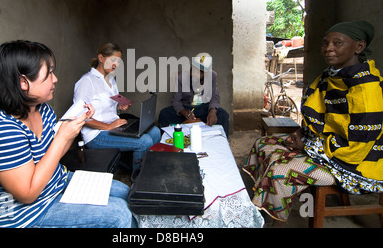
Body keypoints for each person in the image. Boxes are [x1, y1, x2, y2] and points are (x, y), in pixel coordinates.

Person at [0, 40, 135, 228]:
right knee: (120, 213)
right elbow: (27, 194)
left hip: (56, 183)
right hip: (30, 213)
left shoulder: (43, 110)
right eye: (48, 74)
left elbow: (53, 156)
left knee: (126, 192)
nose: (55, 79)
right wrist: (62, 137)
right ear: (23, 82)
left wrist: (75, 126)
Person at [243, 21, 383, 224]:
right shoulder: (329, 77)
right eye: (325, 43)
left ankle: (272, 220)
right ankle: (264, 201)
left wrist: (307, 145)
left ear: (358, 47)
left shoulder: (365, 88)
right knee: (263, 144)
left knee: (279, 172)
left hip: (357, 164)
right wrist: (301, 135)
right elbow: (317, 119)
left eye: (338, 43)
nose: (328, 48)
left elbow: (357, 147)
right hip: (326, 148)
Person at [73, 43, 160, 170]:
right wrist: (108, 126)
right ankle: (139, 181)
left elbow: (108, 106)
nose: (116, 64)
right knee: (144, 142)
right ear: (101, 58)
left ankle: (150, 169)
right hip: (97, 135)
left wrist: (120, 106)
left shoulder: (111, 80)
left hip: (114, 127)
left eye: (119, 61)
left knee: (155, 131)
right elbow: (81, 117)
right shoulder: (86, 82)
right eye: (113, 60)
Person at [158, 53, 230, 135]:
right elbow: (176, 101)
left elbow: (214, 96)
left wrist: (212, 111)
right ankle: (165, 145)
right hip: (186, 108)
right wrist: (184, 112)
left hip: (204, 108)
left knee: (223, 115)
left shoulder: (212, 76)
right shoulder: (181, 77)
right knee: (164, 114)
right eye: (194, 70)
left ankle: (222, 144)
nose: (195, 74)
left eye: (200, 72)